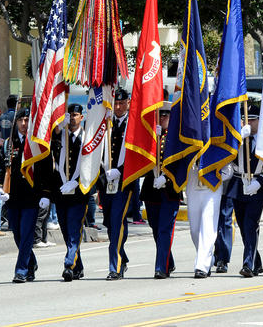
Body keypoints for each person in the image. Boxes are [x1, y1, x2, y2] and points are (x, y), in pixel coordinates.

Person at [223, 104, 263, 278]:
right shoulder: (238, 137)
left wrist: (262, 181)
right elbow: (227, 154)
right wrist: (237, 140)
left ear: (260, 120)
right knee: (243, 226)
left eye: (252, 119)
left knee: (251, 224)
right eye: (246, 119)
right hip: (237, 184)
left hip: (256, 185)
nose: (249, 122)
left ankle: (247, 264)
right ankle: (256, 262)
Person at [49, 103, 94, 282]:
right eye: (70, 115)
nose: (73, 118)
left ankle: (69, 265)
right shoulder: (62, 137)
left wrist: (75, 182)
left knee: (75, 229)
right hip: (61, 191)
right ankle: (78, 266)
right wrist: (59, 128)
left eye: (76, 115)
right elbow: (50, 144)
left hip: (78, 192)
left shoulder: (87, 138)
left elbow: (90, 164)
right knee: (67, 231)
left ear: (81, 117)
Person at [5, 107, 50, 283]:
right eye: (21, 121)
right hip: (14, 197)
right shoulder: (10, 142)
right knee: (17, 234)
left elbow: (46, 170)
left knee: (26, 234)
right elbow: (4, 168)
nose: (24, 124)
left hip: (32, 196)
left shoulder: (37, 143)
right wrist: (2, 189)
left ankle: (21, 270)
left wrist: (46, 194)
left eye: (27, 121)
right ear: (16, 122)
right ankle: (31, 263)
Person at [140, 102, 182, 279]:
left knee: (165, 228)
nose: (163, 119)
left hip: (170, 188)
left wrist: (166, 177)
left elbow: (181, 163)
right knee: (156, 229)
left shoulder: (178, 137)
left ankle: (161, 268)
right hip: (151, 188)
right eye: (160, 116)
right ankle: (168, 261)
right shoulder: (152, 135)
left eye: (166, 116)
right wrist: (152, 140)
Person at [101, 88, 134, 280]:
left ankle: (116, 266)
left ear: (128, 103)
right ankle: (123, 256)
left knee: (117, 221)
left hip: (124, 182)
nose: (119, 107)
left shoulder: (133, 125)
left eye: (122, 103)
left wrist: (120, 171)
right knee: (110, 223)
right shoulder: (106, 123)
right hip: (106, 182)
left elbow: (135, 154)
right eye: (116, 103)